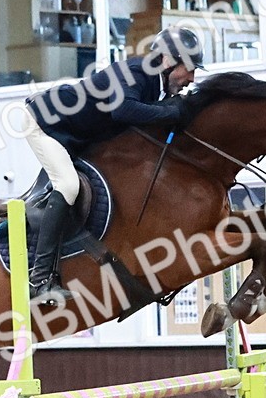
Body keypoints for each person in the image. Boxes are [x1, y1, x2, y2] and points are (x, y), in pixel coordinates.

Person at [22, 26, 205, 304]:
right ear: (168, 60)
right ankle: (39, 280)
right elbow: (123, 110)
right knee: (68, 186)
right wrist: (170, 112)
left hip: (75, 133)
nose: (191, 79)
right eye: (189, 69)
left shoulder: (154, 86)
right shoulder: (136, 72)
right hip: (44, 123)